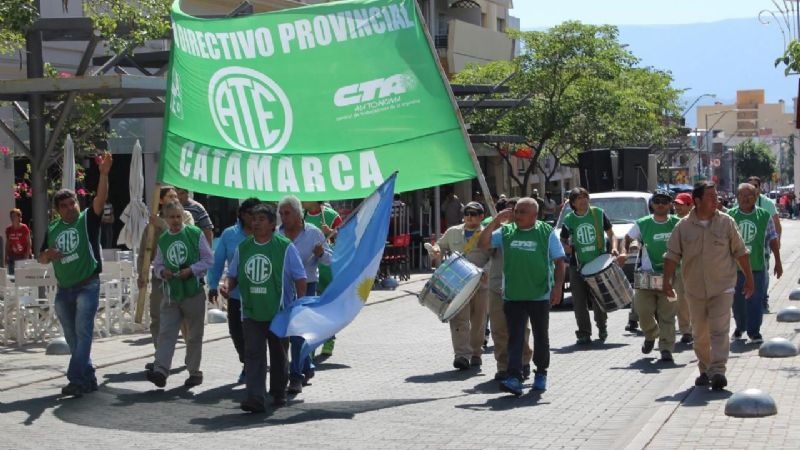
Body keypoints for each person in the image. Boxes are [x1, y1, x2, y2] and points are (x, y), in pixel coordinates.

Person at [663, 181, 754, 391]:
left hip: (722, 287)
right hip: (694, 289)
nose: (716, 201)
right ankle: (705, 368)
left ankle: (718, 370)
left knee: (719, 330)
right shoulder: (683, 227)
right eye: (711, 197)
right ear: (697, 200)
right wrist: (667, 282)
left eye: (716, 197)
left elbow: (740, 251)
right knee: (700, 333)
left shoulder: (726, 223)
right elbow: (672, 256)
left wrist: (749, 279)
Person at [38, 153, 112, 397]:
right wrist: (47, 255)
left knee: (83, 333)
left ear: (78, 204)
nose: (70, 208)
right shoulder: (53, 228)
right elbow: (40, 257)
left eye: (73, 204)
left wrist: (103, 174)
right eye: (65, 206)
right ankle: (88, 377)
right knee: (72, 337)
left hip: (87, 285)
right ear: (58, 210)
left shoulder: (87, 219)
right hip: (64, 288)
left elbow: (101, 198)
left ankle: (75, 378)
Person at [479, 197, 566, 395]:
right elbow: (482, 244)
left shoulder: (546, 232)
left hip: (539, 294)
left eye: (523, 212)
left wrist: (558, 287)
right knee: (515, 338)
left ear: (535, 215)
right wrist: (495, 221)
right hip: (513, 295)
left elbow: (559, 260)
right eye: (516, 211)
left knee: (540, 337)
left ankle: (541, 373)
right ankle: (514, 377)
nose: (517, 215)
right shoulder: (507, 231)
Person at [228, 204, 307, 413]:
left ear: (273, 224)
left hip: (278, 312)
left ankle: (278, 392)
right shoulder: (243, 248)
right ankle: (255, 397)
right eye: (254, 219)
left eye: (261, 219)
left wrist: (299, 304)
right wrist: (228, 287)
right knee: (253, 353)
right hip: (251, 311)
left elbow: (300, 277)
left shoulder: (285, 247)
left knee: (278, 354)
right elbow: (233, 274)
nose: (256, 222)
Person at [145, 200, 214, 389]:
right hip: (171, 293)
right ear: (165, 219)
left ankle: (194, 371)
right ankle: (160, 370)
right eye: (171, 217)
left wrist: (191, 270)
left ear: (182, 216)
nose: (175, 220)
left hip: (192, 291)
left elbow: (208, 259)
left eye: (178, 216)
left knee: (193, 335)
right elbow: (157, 264)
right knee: (166, 332)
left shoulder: (194, 233)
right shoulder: (165, 239)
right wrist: (162, 272)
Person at [475, 197, 534, 382]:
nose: (512, 215)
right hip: (497, 287)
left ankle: (524, 362)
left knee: (520, 329)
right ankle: (503, 366)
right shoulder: (500, 233)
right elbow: (482, 246)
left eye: (516, 211)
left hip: (520, 288)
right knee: (499, 330)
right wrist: (495, 222)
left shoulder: (531, 232)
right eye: (508, 211)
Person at [278, 195, 331, 394]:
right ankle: (307, 366)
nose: (283, 217)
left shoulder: (314, 233)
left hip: (307, 285)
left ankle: (295, 376)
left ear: (298, 214)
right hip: (284, 287)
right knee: (289, 332)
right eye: (281, 213)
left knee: (298, 332)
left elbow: (329, 260)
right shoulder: (277, 234)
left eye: (287, 213)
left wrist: (320, 254)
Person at [618, 190, 680, 362]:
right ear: (652, 204)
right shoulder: (642, 223)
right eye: (657, 201)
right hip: (647, 275)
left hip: (671, 276)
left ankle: (666, 348)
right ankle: (651, 335)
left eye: (665, 201)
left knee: (668, 315)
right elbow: (627, 238)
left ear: (670, 204)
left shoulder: (678, 223)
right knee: (642, 310)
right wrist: (623, 252)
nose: (661, 204)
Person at [208, 198, 262, 384]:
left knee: (256, 334)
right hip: (236, 294)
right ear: (242, 214)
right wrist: (213, 284)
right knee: (236, 332)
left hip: (260, 294)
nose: (255, 218)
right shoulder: (229, 234)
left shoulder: (264, 233)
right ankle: (247, 361)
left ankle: (253, 366)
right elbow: (218, 261)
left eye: (258, 213)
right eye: (251, 213)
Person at [432, 201, 491, 371]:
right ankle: (461, 355)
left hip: (480, 283)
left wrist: (486, 271)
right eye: (467, 214)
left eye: (474, 214)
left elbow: (494, 256)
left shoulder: (487, 233)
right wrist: (435, 250)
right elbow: (441, 246)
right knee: (459, 319)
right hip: (457, 284)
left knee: (478, 321)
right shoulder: (453, 232)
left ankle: (476, 353)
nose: (469, 217)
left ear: (481, 216)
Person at [137, 186, 194, 357]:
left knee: (184, 319)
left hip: (181, 276)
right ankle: (160, 356)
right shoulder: (151, 226)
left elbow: (187, 237)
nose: (175, 198)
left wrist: (162, 224)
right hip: (160, 277)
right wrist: (142, 274)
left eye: (176, 196)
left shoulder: (186, 217)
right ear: (160, 200)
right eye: (170, 196)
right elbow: (143, 253)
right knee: (157, 318)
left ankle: (191, 355)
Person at [559, 187, 618, 345]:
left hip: (598, 264)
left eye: (585, 197)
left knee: (599, 299)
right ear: (573, 203)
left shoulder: (598, 213)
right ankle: (584, 333)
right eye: (579, 198)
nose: (583, 200)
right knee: (579, 302)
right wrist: (566, 248)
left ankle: (602, 326)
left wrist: (614, 247)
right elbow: (562, 240)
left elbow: (612, 234)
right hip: (577, 265)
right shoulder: (569, 219)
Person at [728, 183, 782, 344]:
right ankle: (740, 326)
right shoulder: (729, 216)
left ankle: (754, 332)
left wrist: (778, 262)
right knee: (737, 302)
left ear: (756, 197)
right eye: (742, 196)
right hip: (734, 269)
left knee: (755, 301)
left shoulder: (764, 215)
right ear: (737, 198)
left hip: (757, 266)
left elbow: (773, 239)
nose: (745, 199)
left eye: (749, 195)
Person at [302, 200, 343, 358]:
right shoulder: (302, 215)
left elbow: (346, 236)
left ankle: (329, 339)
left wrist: (331, 231)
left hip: (327, 269)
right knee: (311, 309)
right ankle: (311, 344)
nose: (302, 200)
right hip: (310, 270)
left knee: (326, 308)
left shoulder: (330, 215)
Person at [746, 176, 781, 313]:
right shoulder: (741, 202)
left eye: (755, 186)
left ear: (760, 188)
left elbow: (776, 226)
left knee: (763, 273)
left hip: (763, 246)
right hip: (745, 246)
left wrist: (777, 243)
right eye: (749, 186)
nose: (752, 189)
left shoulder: (767, 203)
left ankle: (763, 298)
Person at [672, 192, 694, 344]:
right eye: (676, 205)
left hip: (693, 269)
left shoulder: (694, 222)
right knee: (680, 302)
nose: (677, 208)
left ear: (690, 205)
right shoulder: (671, 221)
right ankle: (686, 330)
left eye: (681, 205)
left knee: (692, 301)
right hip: (675, 269)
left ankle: (694, 329)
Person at [5, 208, 31, 275]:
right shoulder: (8, 229)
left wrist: (27, 255)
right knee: (12, 277)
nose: (12, 218)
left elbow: (28, 242)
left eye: (14, 216)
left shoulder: (24, 228)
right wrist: (6, 256)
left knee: (22, 276)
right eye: (11, 216)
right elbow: (7, 243)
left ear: (19, 217)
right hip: (12, 256)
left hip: (23, 255)